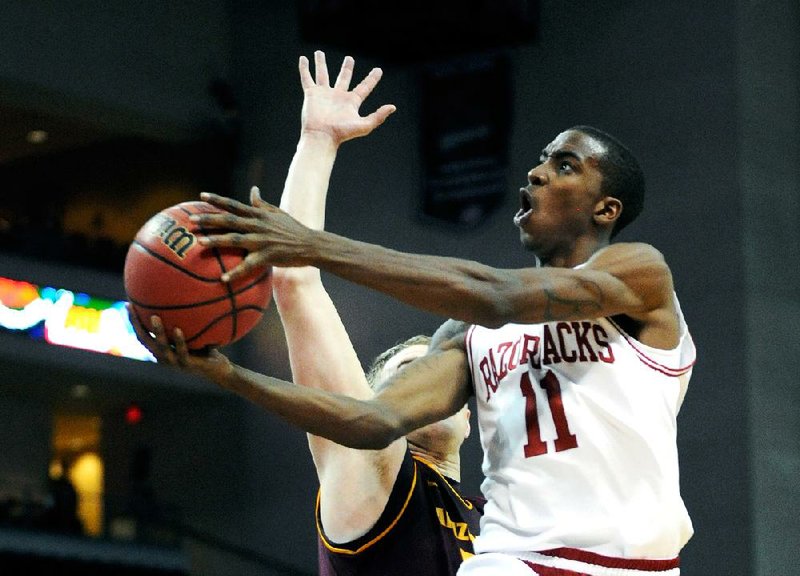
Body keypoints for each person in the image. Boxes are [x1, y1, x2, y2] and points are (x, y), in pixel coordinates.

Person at [183, 64, 698, 574]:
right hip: (517, 565)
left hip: (639, 566)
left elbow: (495, 295)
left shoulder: (641, 274)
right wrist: (230, 376)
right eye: (540, 161)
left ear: (606, 210)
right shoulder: (464, 341)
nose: (537, 172)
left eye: (564, 165)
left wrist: (314, 246)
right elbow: (373, 420)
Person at [131, 51, 483, 575]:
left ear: (471, 415)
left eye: (439, 372)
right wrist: (317, 142)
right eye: (409, 370)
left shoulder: (494, 523)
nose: (430, 378)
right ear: (364, 402)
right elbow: (294, 280)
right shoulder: (371, 467)